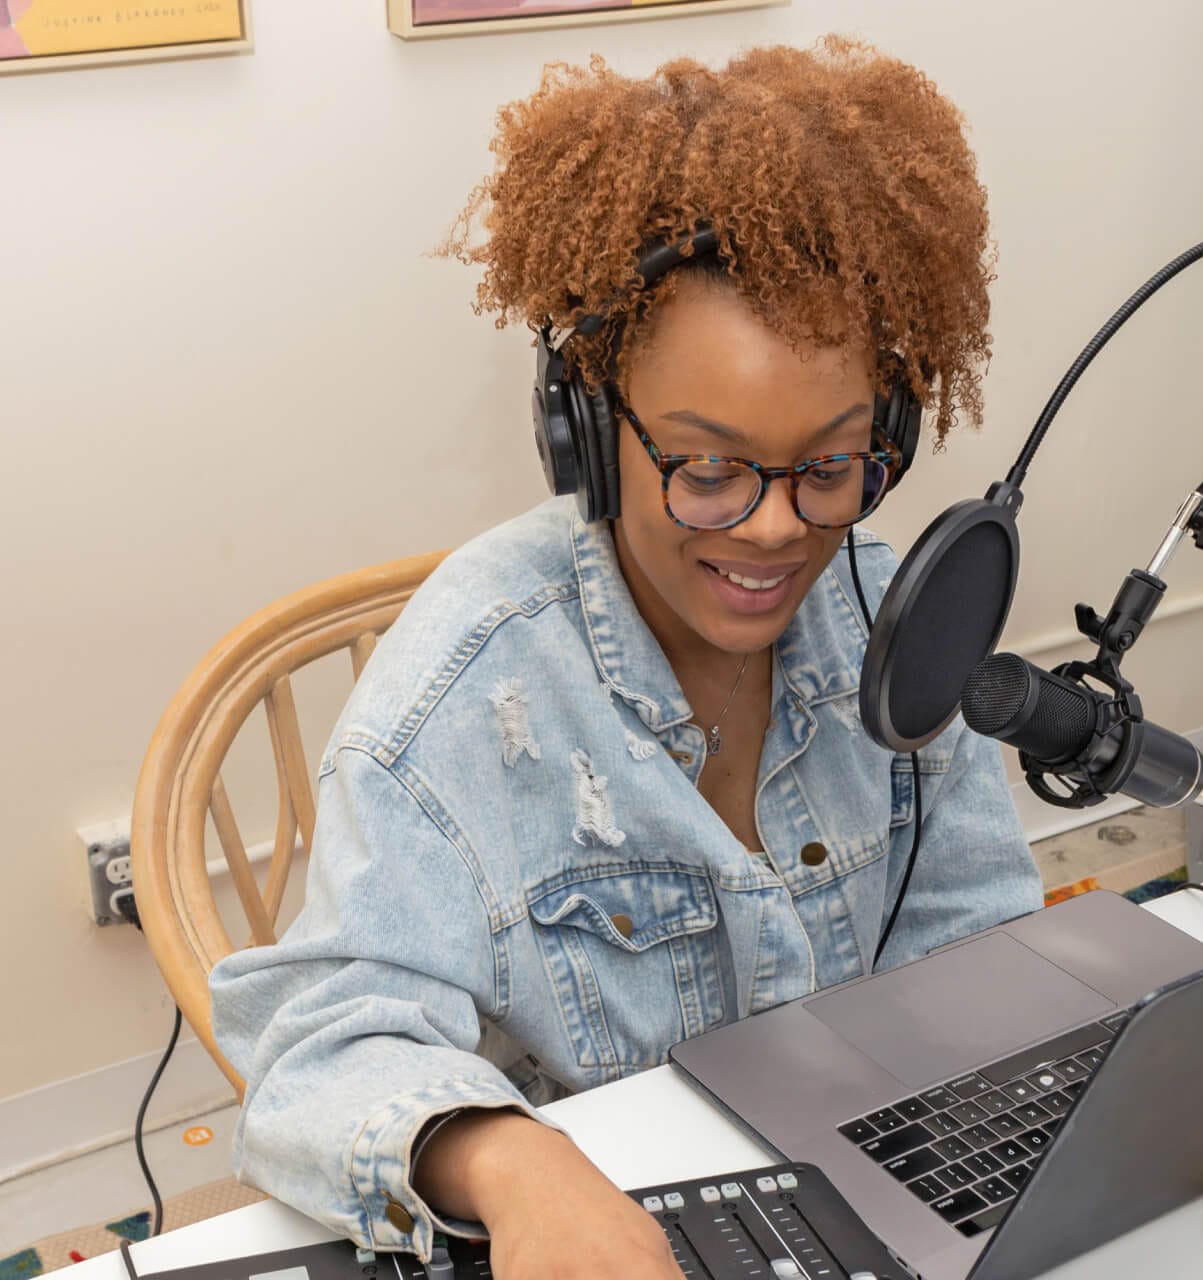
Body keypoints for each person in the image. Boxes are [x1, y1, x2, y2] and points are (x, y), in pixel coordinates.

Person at [208, 37, 1041, 1280]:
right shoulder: (466, 688)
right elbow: (323, 1039)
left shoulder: (888, 623)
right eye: (708, 467)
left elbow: (976, 929)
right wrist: (511, 1162)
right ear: (587, 432)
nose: (774, 527)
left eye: (828, 466)